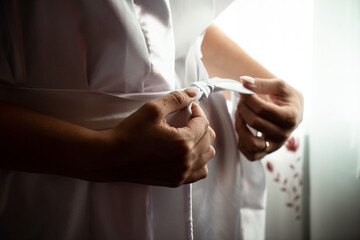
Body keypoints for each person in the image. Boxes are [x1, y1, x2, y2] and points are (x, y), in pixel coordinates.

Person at [0, 0, 303, 239]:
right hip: (50, 182)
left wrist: (265, 88)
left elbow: (170, 18)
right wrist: (103, 155)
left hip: (202, 179)